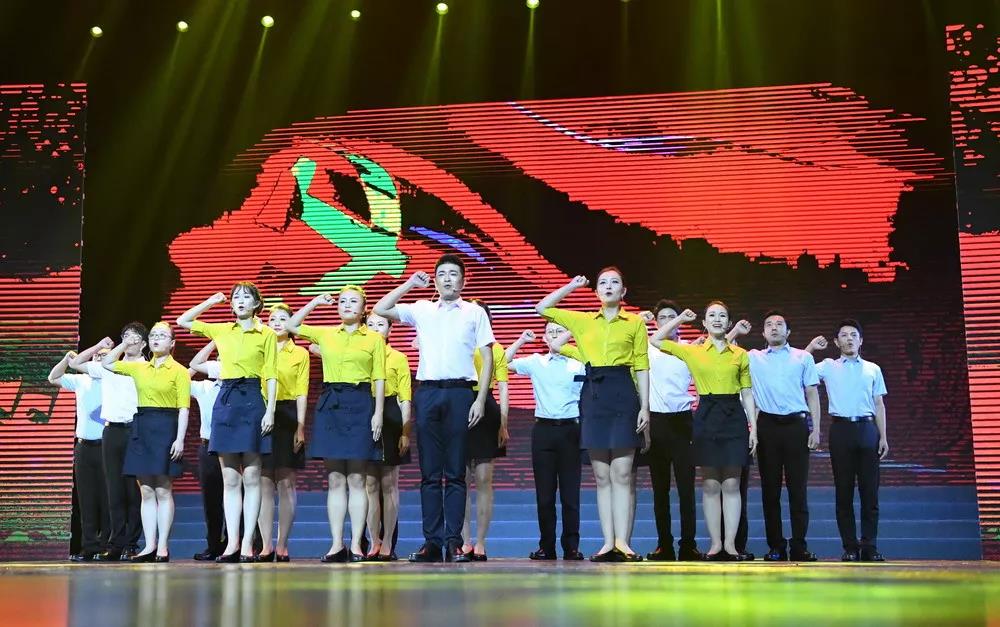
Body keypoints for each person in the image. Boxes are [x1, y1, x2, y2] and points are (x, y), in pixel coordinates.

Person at [373, 254, 495, 564]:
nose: (447, 279)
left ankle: (454, 542)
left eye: (453, 274)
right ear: (436, 280)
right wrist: (409, 283)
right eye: (442, 274)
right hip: (427, 393)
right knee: (429, 474)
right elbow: (381, 309)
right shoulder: (422, 309)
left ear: (463, 280)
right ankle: (432, 542)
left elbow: (487, 357)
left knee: (455, 472)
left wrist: (480, 399)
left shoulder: (474, 312)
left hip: (460, 393)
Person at [535, 269, 650, 562]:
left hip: (623, 392)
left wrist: (645, 407)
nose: (608, 286)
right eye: (603, 283)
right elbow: (542, 308)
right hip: (594, 394)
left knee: (622, 473)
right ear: (596, 291)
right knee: (601, 476)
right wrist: (571, 286)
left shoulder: (635, 323)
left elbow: (641, 366)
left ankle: (623, 542)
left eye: (615, 282)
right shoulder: (582, 320)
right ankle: (608, 542)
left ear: (624, 291)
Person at [177, 282, 278, 563]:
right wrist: (211, 301)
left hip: (252, 399)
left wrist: (270, 410)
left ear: (257, 304)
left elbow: (271, 374)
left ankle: (247, 543)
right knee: (230, 479)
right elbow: (183, 321)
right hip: (226, 399)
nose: (240, 301)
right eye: (236, 297)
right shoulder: (222, 330)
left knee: (252, 477)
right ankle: (231, 543)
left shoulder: (267, 334)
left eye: (246, 297)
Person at [650, 302, 757, 561]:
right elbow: (655, 340)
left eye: (722, 316)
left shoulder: (740, 354)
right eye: (712, 316)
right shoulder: (693, 351)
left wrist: (753, 427)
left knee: (731, 484)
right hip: (707, 415)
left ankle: (730, 545)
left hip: (733, 416)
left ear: (728, 323)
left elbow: (747, 392)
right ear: (704, 323)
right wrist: (679, 320)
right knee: (710, 484)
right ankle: (715, 545)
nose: (717, 319)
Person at [287, 287, 384, 563]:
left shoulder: (374, 339)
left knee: (357, 478)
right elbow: (292, 325)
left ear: (364, 309)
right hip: (331, 403)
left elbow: (379, 377)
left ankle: (356, 545)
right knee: (335, 478)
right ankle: (336, 544)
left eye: (353, 301)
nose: (346, 305)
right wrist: (315, 301)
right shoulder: (326, 334)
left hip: (360, 402)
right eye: (342, 301)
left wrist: (377, 412)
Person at [729, 312, 821, 562]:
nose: (774, 327)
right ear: (763, 333)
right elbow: (721, 349)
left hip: (796, 426)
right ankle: (776, 546)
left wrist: (816, 429)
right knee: (770, 491)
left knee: (797, 489)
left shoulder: (803, 357)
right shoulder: (753, 357)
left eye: (780, 324)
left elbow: (812, 393)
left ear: (788, 332)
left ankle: (799, 546)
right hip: (767, 426)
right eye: (769, 324)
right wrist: (736, 331)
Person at [101, 322, 190, 562]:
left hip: (166, 426)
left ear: (172, 343)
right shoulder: (140, 368)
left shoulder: (179, 371)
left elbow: (183, 408)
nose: (156, 339)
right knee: (147, 490)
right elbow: (107, 363)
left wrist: (180, 439)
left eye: (162, 335)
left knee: (163, 489)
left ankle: (162, 547)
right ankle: (149, 546)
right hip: (141, 426)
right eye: (153, 335)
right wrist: (125, 343)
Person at [806, 320, 888, 562]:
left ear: (861, 340)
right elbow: (799, 368)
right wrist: (811, 347)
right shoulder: (828, 366)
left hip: (868, 429)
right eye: (844, 335)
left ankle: (869, 546)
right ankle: (850, 547)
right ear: (836, 342)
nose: (849, 338)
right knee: (844, 492)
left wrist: (883, 436)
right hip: (840, 430)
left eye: (854, 335)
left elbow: (879, 404)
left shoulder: (873, 369)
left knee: (869, 493)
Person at [506, 324, 586, 561]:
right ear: (544, 337)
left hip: (571, 430)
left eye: (560, 331)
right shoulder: (536, 362)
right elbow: (503, 362)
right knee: (545, 495)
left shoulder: (579, 362)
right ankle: (546, 546)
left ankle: (571, 547)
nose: (555, 336)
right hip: (543, 431)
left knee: (570, 494)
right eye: (551, 332)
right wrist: (521, 340)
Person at [70, 324, 147, 562]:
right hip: (111, 431)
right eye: (125, 336)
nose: (129, 340)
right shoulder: (109, 366)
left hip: (135, 429)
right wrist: (100, 346)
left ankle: (131, 544)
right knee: (114, 489)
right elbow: (76, 363)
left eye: (135, 337)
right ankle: (115, 544)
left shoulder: (147, 367)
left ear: (144, 343)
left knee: (134, 490)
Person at [638, 301, 703, 562]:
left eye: (672, 317)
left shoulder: (688, 349)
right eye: (663, 317)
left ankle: (689, 545)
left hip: (682, 422)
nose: (668, 321)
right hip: (656, 422)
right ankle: (663, 545)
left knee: (686, 489)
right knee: (660, 489)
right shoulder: (647, 347)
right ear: (655, 322)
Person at [257, 304, 309, 562]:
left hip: (288, 415)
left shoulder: (299, 353)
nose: (277, 323)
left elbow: (301, 391)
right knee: (263, 482)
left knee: (286, 481)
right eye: (272, 319)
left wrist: (300, 425)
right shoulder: (260, 350)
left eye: (282, 319)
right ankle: (266, 545)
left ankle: (282, 544)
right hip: (261, 414)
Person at [49, 346, 110, 562]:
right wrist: (67, 359)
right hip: (84, 447)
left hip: (107, 447)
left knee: (108, 499)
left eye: (104, 355)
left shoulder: (116, 380)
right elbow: (53, 377)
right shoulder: (81, 380)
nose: (99, 358)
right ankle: (88, 547)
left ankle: (107, 546)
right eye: (96, 355)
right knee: (86, 499)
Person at [460, 299, 509, 562]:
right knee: (460, 479)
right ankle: (464, 541)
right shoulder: (458, 344)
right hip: (458, 404)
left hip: (486, 407)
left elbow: (502, 387)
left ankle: (480, 542)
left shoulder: (495, 348)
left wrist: (503, 423)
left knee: (483, 479)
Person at [364, 312, 412, 561]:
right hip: (364, 413)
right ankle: (374, 540)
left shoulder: (398, 358)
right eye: (370, 324)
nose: (375, 328)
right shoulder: (360, 356)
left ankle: (389, 541)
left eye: (380, 324)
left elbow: (405, 397)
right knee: (369, 484)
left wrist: (405, 431)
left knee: (389, 483)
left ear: (390, 330)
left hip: (391, 415)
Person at [188, 342, 225, 561]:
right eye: (217, 362)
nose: (219, 365)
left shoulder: (242, 389)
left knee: (237, 497)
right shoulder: (204, 387)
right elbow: (183, 376)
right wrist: (213, 343)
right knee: (211, 500)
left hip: (233, 449)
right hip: (208, 446)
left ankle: (237, 544)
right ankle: (213, 545)